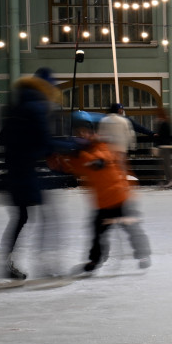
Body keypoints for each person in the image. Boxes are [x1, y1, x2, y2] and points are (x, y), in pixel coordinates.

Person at [51, 112, 151, 275]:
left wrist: (92, 158)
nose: (82, 134)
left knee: (132, 228)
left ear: (91, 131)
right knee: (97, 233)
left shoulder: (102, 145)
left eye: (85, 131)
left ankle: (142, 255)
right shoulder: (78, 155)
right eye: (78, 132)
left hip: (120, 198)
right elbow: (71, 168)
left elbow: (102, 159)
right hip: (102, 202)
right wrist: (57, 161)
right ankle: (95, 260)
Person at [0, 68, 69, 280]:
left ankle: (5, 263)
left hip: (15, 169)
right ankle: (46, 266)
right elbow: (45, 141)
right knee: (47, 217)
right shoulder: (37, 107)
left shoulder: (16, 105)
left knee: (23, 217)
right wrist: (75, 144)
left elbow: (5, 136)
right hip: (25, 170)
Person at [150, 106, 172, 189]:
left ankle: (171, 180)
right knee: (166, 164)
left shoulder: (163, 123)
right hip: (167, 145)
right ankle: (170, 180)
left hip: (165, 146)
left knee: (166, 164)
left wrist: (157, 139)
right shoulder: (166, 122)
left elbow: (163, 135)